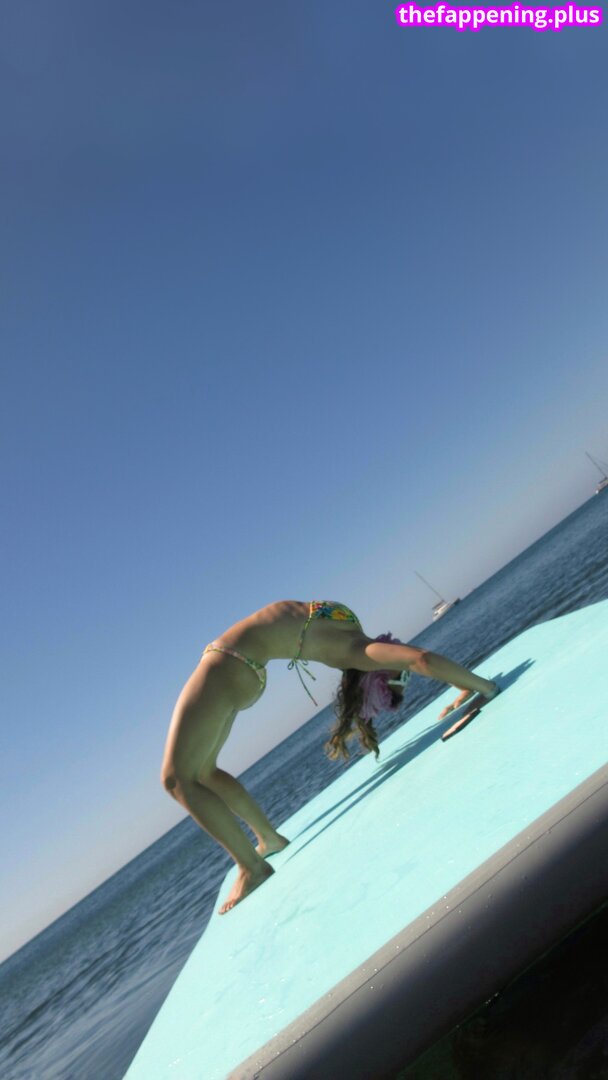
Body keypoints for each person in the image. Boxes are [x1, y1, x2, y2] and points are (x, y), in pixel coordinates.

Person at [160, 600, 499, 914]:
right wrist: (462, 687)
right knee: (203, 771)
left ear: (373, 672)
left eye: (397, 674)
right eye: (401, 674)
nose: (400, 667)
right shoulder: (347, 625)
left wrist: (483, 686)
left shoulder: (352, 647)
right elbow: (413, 660)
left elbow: (418, 658)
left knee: (175, 779)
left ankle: (252, 867)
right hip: (237, 664)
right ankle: (268, 839)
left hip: (230, 663)